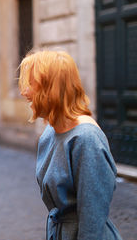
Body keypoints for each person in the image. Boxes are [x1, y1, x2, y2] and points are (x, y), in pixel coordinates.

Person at [18, 50, 122, 240]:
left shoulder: (87, 139)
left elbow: (92, 220)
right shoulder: (50, 132)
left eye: (31, 84)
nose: (24, 92)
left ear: (52, 88)